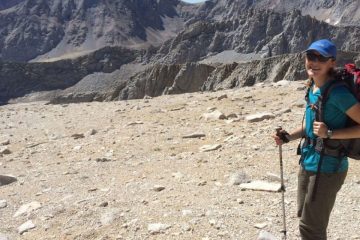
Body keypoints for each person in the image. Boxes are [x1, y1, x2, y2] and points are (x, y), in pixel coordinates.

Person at [273, 39, 360, 240]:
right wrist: (287, 137)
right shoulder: (313, 87)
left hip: (329, 167)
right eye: (311, 56)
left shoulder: (338, 93)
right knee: (305, 217)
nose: (314, 62)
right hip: (309, 161)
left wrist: (330, 134)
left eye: (321, 58)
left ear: (332, 63)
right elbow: (311, 126)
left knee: (311, 228)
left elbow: (325, 130)